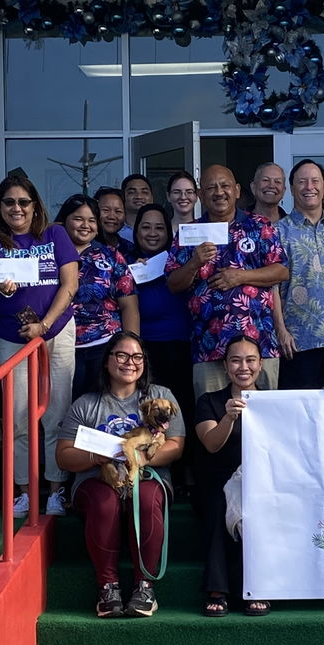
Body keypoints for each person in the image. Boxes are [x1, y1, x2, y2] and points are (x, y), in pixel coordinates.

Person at [56, 332, 187, 619]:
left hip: (149, 477)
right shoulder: (87, 404)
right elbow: (63, 455)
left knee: (147, 497)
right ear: (107, 361)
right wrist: (98, 456)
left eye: (137, 356)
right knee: (105, 503)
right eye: (122, 355)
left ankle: (144, 587)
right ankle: (108, 587)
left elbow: (176, 446)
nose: (130, 362)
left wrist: (135, 459)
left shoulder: (161, 397)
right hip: (96, 479)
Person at [0, 174, 80, 521]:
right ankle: (26, 492)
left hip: (57, 331)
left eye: (23, 202)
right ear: (0, 208)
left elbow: (70, 282)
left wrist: (46, 324)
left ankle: (56, 492)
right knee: (18, 418)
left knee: (57, 414)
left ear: (35, 204)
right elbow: (0, 285)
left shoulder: (55, 233)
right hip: (15, 337)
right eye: (9, 202)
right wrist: (6, 288)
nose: (17, 208)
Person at [166, 165, 288, 394]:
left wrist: (240, 276)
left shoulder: (259, 226)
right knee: (210, 419)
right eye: (211, 187)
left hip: (259, 344)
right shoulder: (189, 232)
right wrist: (194, 262)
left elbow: (281, 271)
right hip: (209, 345)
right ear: (201, 195)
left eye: (225, 186)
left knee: (263, 420)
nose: (219, 192)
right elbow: (173, 284)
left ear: (238, 190)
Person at [194, 336, 272, 617]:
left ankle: (258, 586)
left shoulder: (274, 401)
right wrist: (229, 417)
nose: (244, 367)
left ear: (260, 365)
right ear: (226, 366)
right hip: (218, 480)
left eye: (250, 360)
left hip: (261, 482)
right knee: (218, 503)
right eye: (236, 360)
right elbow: (211, 444)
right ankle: (217, 590)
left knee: (260, 506)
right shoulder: (210, 401)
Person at [128, 203, 196, 485]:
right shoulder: (126, 262)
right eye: (146, 227)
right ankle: (147, 468)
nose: (152, 233)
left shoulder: (180, 257)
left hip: (181, 345)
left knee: (181, 410)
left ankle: (185, 475)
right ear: (136, 231)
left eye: (159, 228)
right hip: (145, 349)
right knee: (148, 411)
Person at [276, 159, 324, 390]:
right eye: (302, 181)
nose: (310, 186)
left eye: (315, 181)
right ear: (291, 189)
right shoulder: (278, 231)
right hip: (299, 340)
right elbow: (272, 286)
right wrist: (281, 330)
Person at [57, 194, 139, 399]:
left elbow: (129, 305)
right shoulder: (50, 254)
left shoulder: (110, 255)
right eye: (78, 219)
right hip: (61, 346)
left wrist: (131, 348)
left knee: (102, 408)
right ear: (64, 220)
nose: (85, 225)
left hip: (104, 345)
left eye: (92, 220)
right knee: (63, 411)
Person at [92, 187, 137, 259]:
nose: (112, 216)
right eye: (106, 210)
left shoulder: (131, 249)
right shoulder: (86, 248)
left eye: (118, 211)